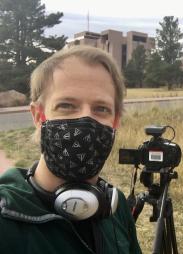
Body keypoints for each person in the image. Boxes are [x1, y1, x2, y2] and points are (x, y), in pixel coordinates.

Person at [0, 46, 142, 253]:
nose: (85, 119)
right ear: (39, 116)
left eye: (101, 109)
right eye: (66, 105)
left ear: (115, 121)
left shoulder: (117, 207)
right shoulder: (6, 221)